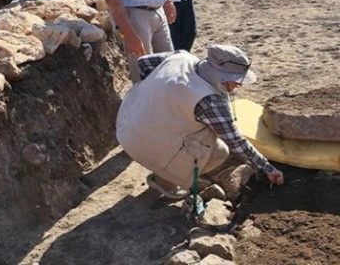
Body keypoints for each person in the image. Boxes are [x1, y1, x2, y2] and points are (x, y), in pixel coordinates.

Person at [116, 46, 285, 200]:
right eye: (237, 81)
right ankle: (165, 180)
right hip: (141, 144)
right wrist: (267, 168)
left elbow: (144, 62)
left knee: (197, 127)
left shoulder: (181, 58)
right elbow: (236, 141)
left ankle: (166, 167)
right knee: (219, 151)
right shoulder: (209, 101)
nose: (239, 85)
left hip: (126, 124)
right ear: (223, 77)